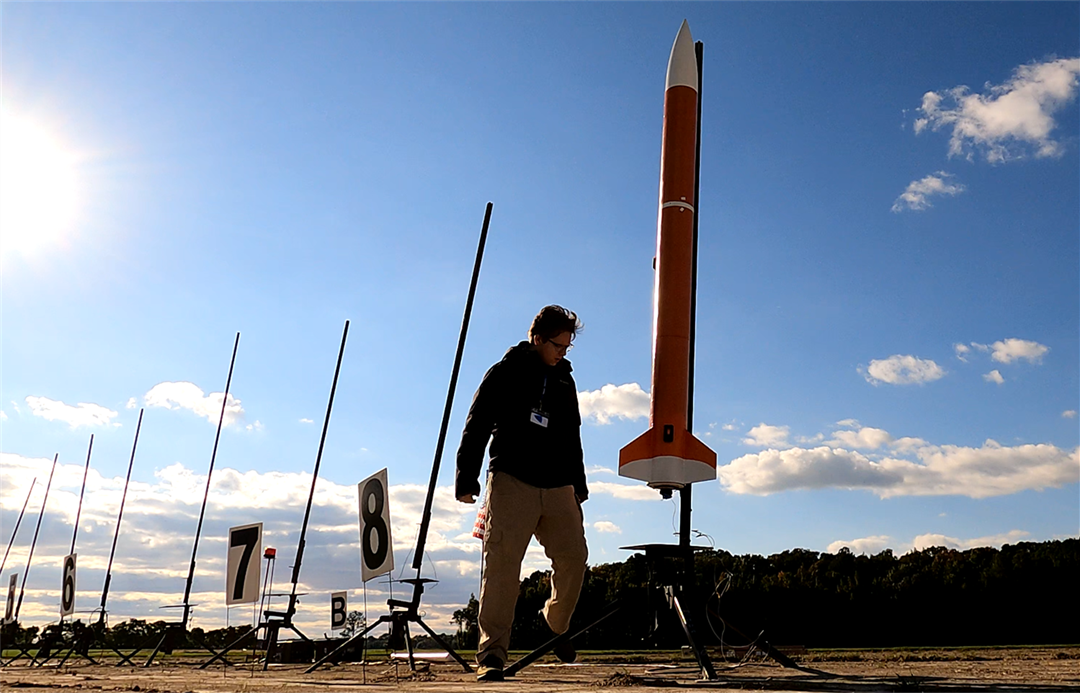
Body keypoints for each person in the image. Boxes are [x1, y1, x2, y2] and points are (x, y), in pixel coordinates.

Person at [455, 305, 589, 682]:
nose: (562, 352)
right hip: (513, 480)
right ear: (537, 339)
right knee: (502, 568)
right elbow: (477, 423)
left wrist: (578, 485)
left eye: (567, 346)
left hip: (559, 484)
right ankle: (492, 654)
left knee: (574, 557)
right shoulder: (505, 371)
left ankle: (554, 625)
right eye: (557, 345)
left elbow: (572, 435)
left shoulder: (565, 381)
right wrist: (466, 478)